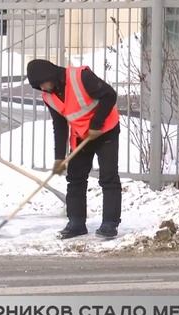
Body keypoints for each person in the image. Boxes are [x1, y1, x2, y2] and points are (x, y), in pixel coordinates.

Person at [26, 59, 121, 239]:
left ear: (51, 75)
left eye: (44, 82)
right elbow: (60, 126)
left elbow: (109, 95)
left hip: (106, 129)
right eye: (39, 86)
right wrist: (59, 158)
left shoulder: (80, 77)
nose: (44, 88)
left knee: (108, 177)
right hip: (81, 136)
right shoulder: (49, 97)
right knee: (75, 178)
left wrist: (96, 124)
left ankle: (110, 223)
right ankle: (76, 223)